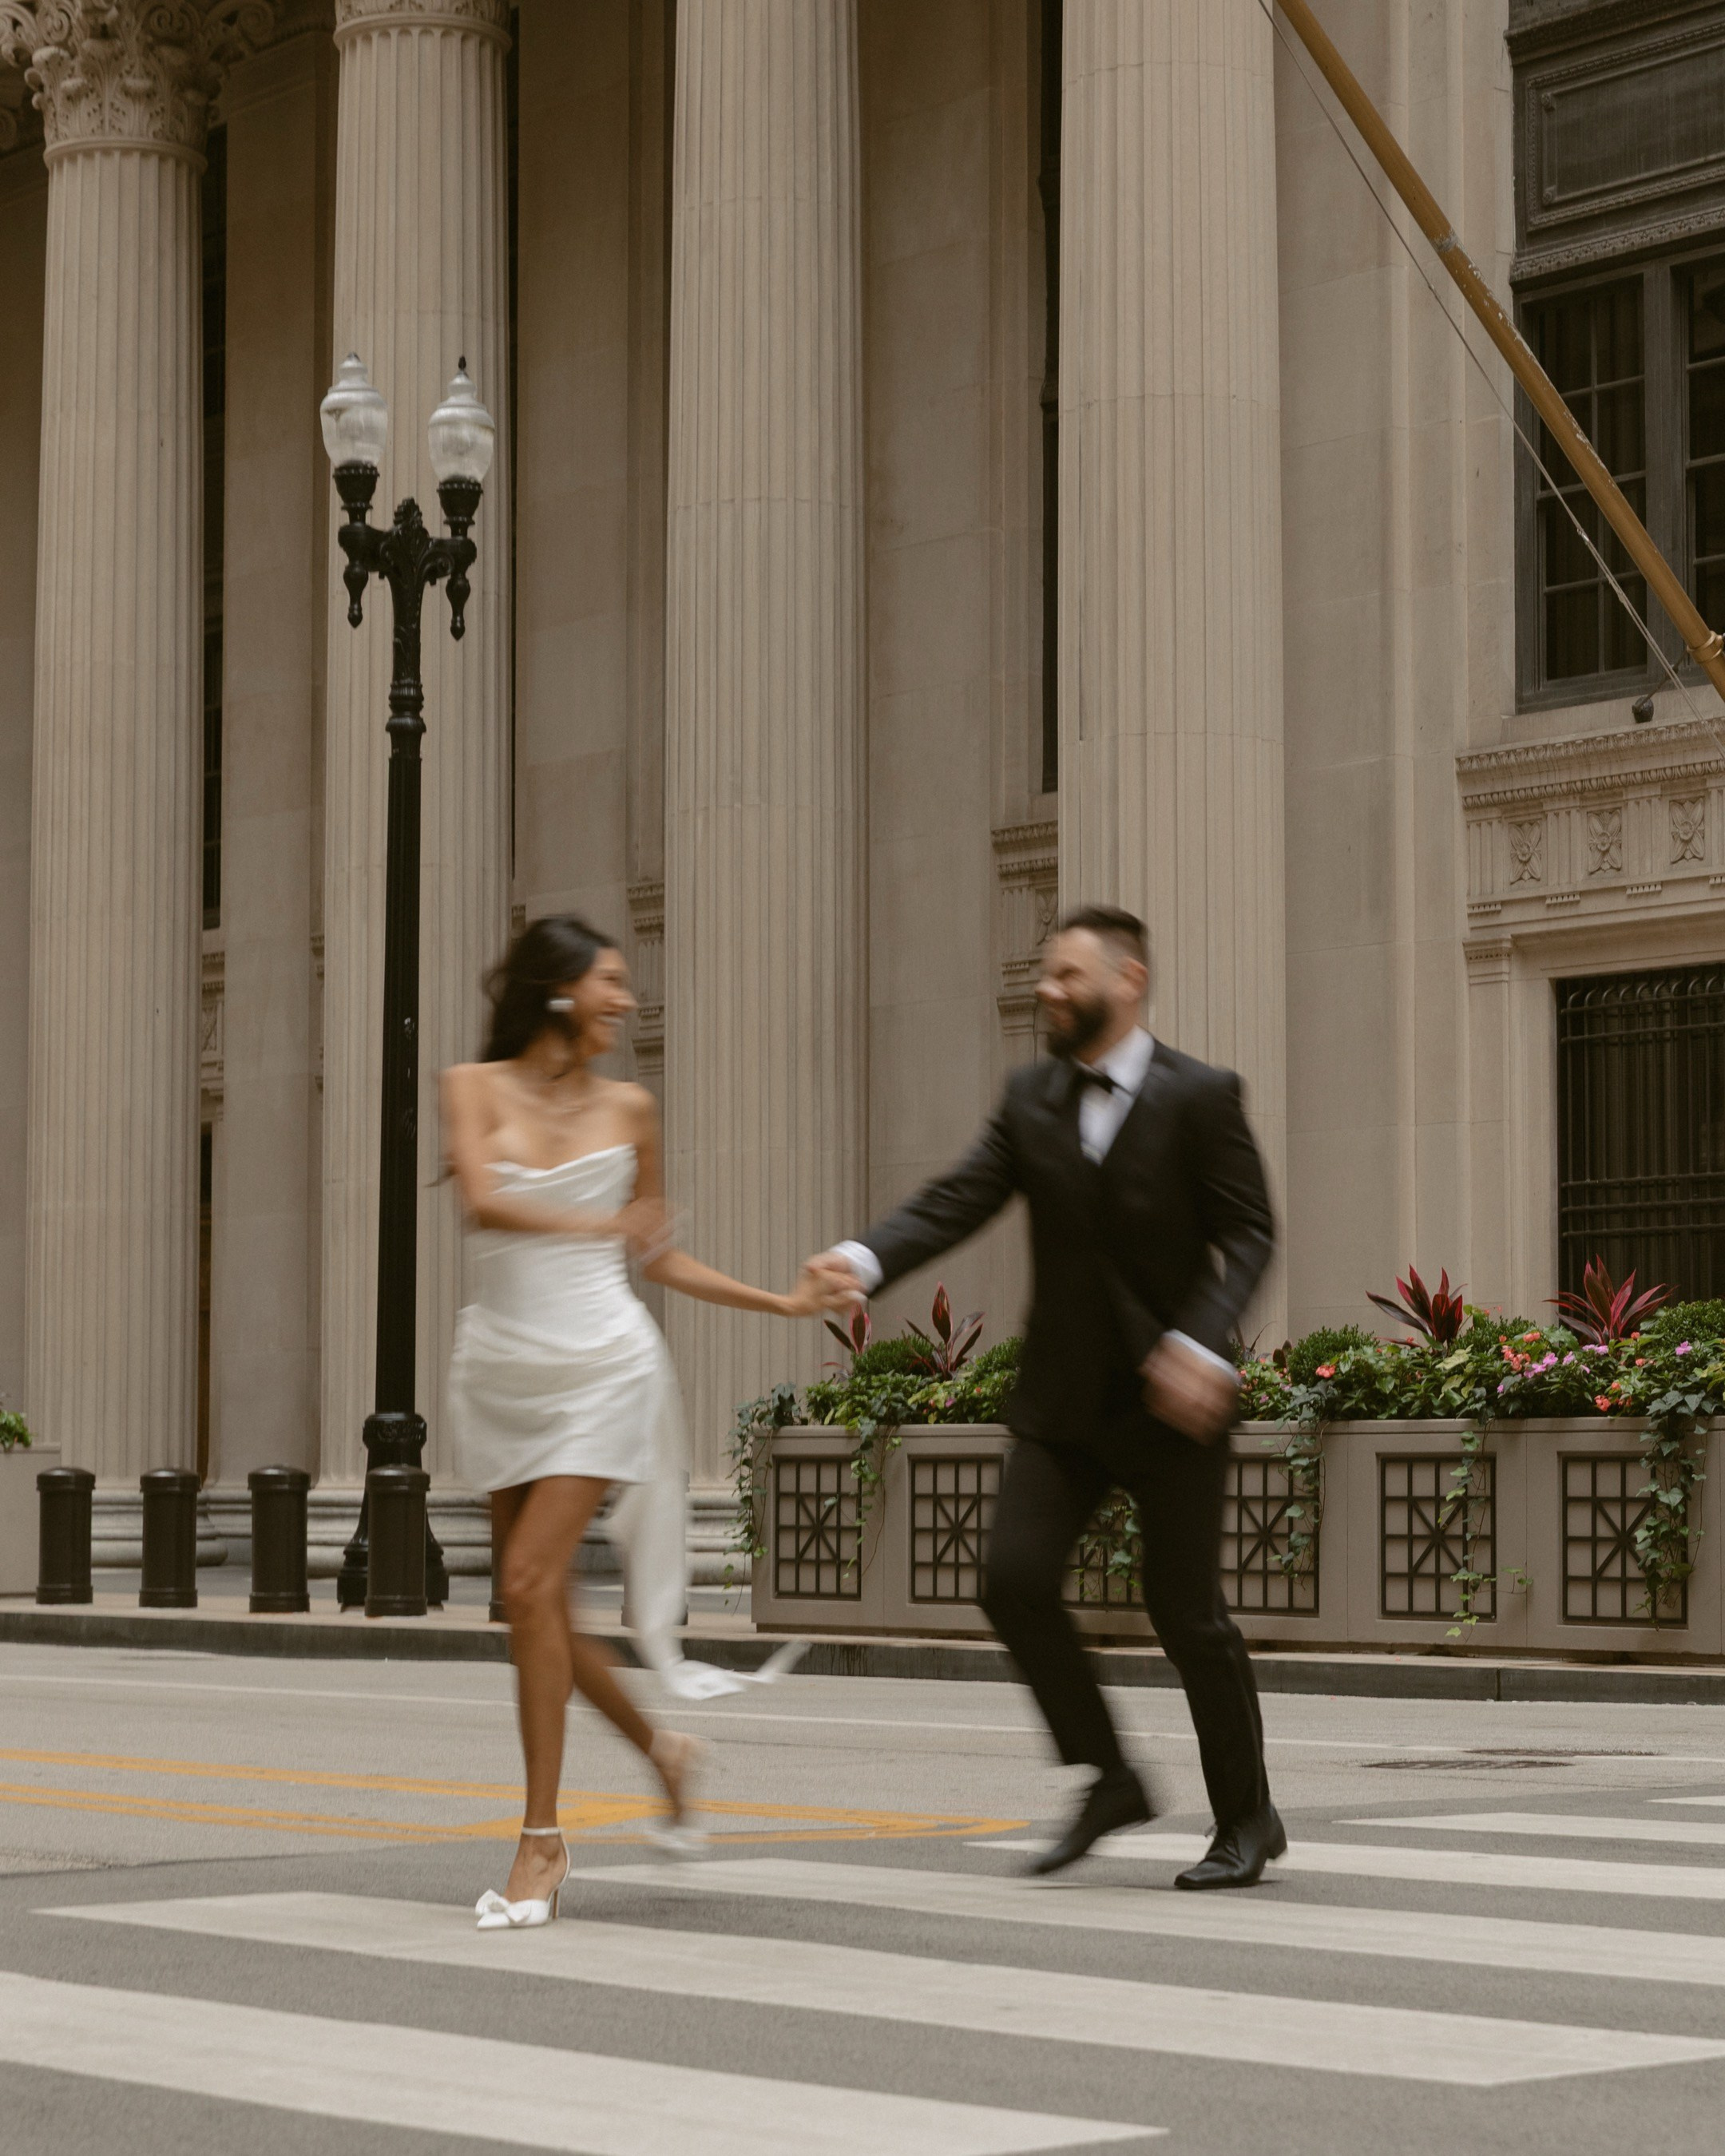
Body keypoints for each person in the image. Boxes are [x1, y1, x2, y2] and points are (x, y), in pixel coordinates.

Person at [809, 906, 1283, 1887]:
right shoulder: (1031, 1099)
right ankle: (1109, 1777)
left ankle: (1247, 1817)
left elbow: (1248, 1233)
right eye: (1045, 973)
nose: (1047, 990)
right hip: (1064, 1405)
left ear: (1129, 980)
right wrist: (863, 1258)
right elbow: (959, 1196)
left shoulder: (1202, 1097)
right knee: (1012, 1583)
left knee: (1187, 1616)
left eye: (1068, 974)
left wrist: (1202, 1342)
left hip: (1174, 1404)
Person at [444, 915, 830, 1929]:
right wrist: (600, 1223)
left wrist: (781, 1303)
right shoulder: (470, 1088)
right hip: (501, 1365)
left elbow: (655, 1257)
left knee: (530, 1583)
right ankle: (666, 1753)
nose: (628, 1000)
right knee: (540, 1614)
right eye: (612, 983)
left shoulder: (632, 1106)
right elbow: (483, 1202)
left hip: (604, 1363)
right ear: (560, 990)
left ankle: (541, 1842)